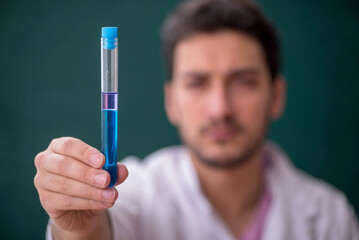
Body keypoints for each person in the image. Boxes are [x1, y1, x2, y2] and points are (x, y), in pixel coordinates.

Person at [34, 0, 359, 239]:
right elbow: (101, 230)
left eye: (243, 81)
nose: (219, 108)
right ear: (170, 101)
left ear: (276, 95)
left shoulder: (330, 218)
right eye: (197, 83)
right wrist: (80, 230)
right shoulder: (135, 195)